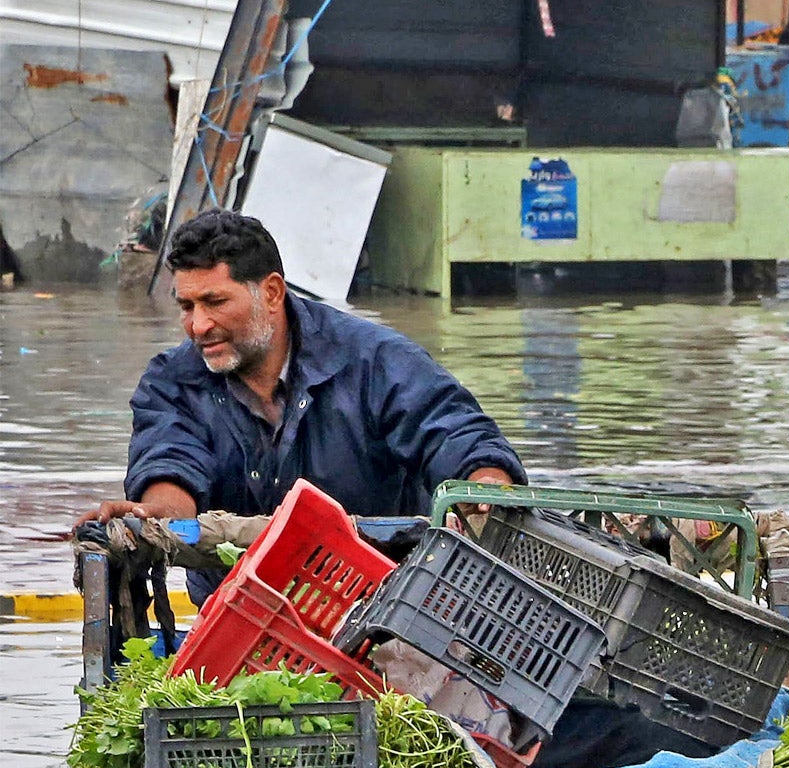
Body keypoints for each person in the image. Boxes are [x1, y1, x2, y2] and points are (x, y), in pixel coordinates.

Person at [86, 209, 524, 596]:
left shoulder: (373, 359)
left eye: (215, 302)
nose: (198, 325)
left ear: (272, 293)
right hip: (238, 607)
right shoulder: (172, 380)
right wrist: (158, 515)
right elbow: (169, 456)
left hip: (378, 600)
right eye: (186, 306)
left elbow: (448, 427)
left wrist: (484, 481)